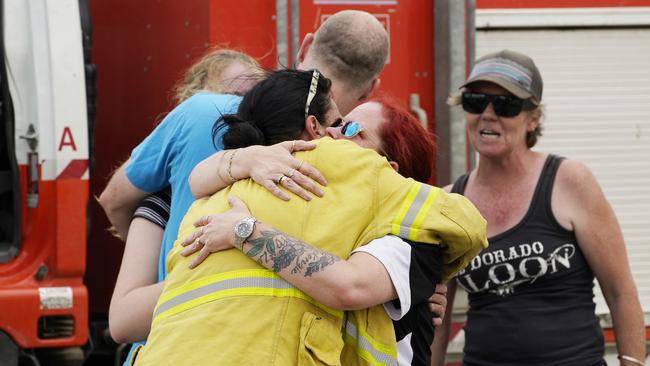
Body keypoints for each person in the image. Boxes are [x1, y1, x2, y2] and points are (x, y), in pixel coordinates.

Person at [131, 69, 487, 365]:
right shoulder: (326, 184)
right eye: (339, 124)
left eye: (351, 131)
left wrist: (246, 226)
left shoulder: (215, 197)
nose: (337, 136)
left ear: (390, 167)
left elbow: (351, 284)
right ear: (313, 126)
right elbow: (463, 222)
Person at [100, 9, 389, 356]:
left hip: (170, 346)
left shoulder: (201, 113)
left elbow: (114, 198)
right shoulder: (365, 158)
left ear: (306, 45)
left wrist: (180, 255)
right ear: (372, 88)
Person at [430, 49, 645, 366]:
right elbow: (437, 318)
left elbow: (621, 292)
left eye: (506, 105)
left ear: (533, 118)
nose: (489, 114)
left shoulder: (569, 181)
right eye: (476, 101)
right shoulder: (448, 203)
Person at [107, 49, 265, 346]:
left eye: (249, 98)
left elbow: (112, 199)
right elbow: (123, 322)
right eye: (229, 97)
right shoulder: (160, 204)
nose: (236, 111)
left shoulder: (277, 184)